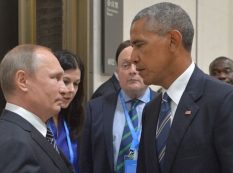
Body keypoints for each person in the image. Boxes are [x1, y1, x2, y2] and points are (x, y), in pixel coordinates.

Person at [130, 2, 233, 173]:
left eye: (139, 45)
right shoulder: (151, 110)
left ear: (173, 41)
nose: (133, 57)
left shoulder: (226, 102)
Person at [80, 40, 157, 173]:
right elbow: (85, 160)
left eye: (138, 64)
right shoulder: (94, 109)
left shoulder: (164, 107)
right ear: (117, 71)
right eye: (126, 65)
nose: (133, 71)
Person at [0, 44, 74, 173]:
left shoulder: (31, 133)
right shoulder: (15, 143)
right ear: (22, 81)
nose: (64, 89)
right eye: (55, 78)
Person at [47, 50, 85, 173]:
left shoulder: (74, 117)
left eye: (76, 84)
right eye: (66, 81)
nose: (71, 90)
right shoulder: (38, 118)